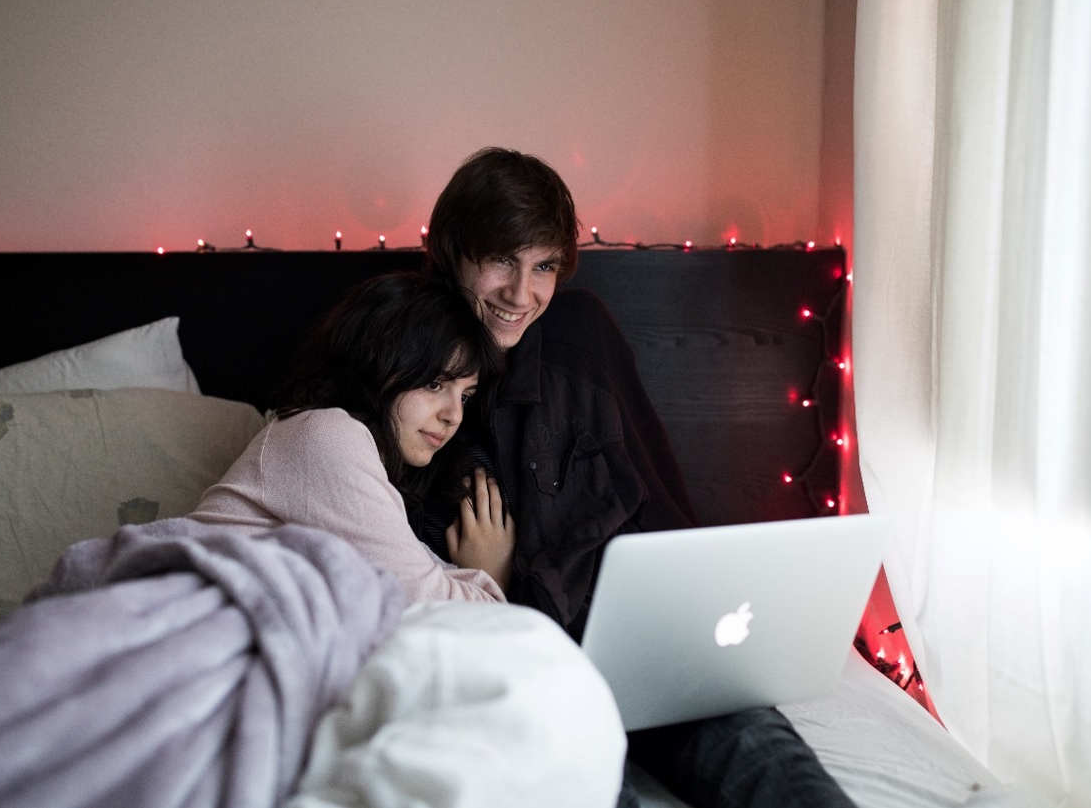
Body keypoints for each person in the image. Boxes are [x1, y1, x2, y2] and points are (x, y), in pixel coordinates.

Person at [419, 147, 859, 808]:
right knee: (591, 784)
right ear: (454, 252)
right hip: (532, 661)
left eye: (543, 266)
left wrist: (705, 627)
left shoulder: (579, 332)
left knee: (774, 764)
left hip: (649, 645)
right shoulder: (414, 359)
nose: (521, 293)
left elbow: (658, 503)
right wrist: (490, 585)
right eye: (501, 260)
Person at [191, 271, 515, 604]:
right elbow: (425, 602)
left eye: (465, 396)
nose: (454, 415)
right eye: (435, 384)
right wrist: (491, 577)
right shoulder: (326, 435)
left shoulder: (360, 456)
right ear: (378, 363)